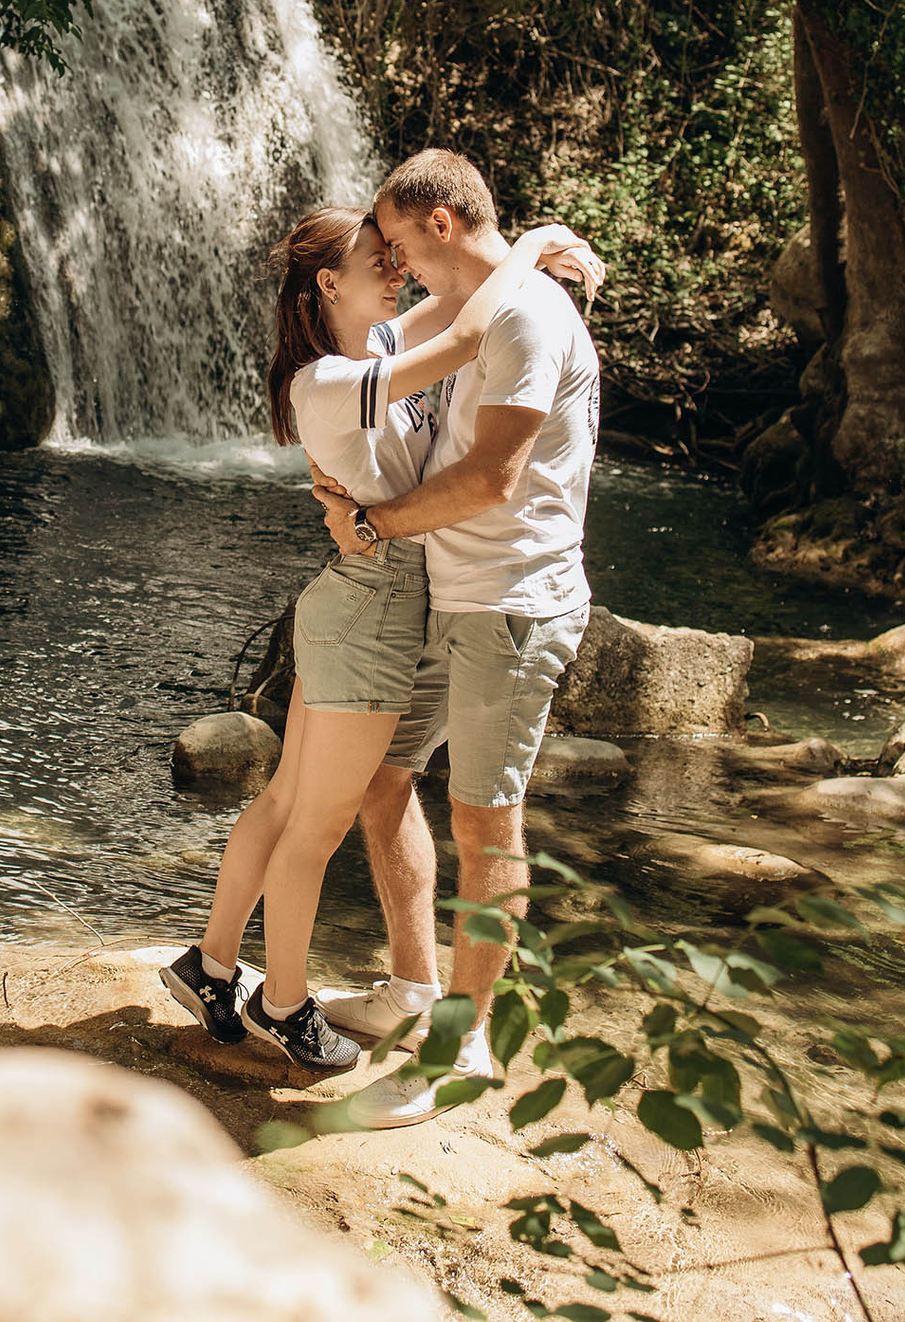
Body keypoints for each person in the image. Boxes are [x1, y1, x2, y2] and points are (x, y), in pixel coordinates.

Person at [159, 204, 597, 1071]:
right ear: (329, 282)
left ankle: (210, 966)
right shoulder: (325, 380)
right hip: (372, 603)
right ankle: (282, 1007)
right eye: (375, 257)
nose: (397, 267)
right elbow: (471, 331)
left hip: (373, 597)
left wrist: (513, 255)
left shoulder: (375, 351)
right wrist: (535, 249)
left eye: (397, 255)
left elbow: (458, 297)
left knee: (285, 801)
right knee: (314, 825)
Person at [308, 148, 603, 1129]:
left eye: (396, 242)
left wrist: (370, 528)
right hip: (448, 590)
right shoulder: (478, 304)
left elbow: (489, 481)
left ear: (438, 224)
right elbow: (383, 351)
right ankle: (413, 987)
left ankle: (465, 1042)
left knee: (485, 822)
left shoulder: (523, 317)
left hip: (510, 606)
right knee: (381, 781)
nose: (391, 264)